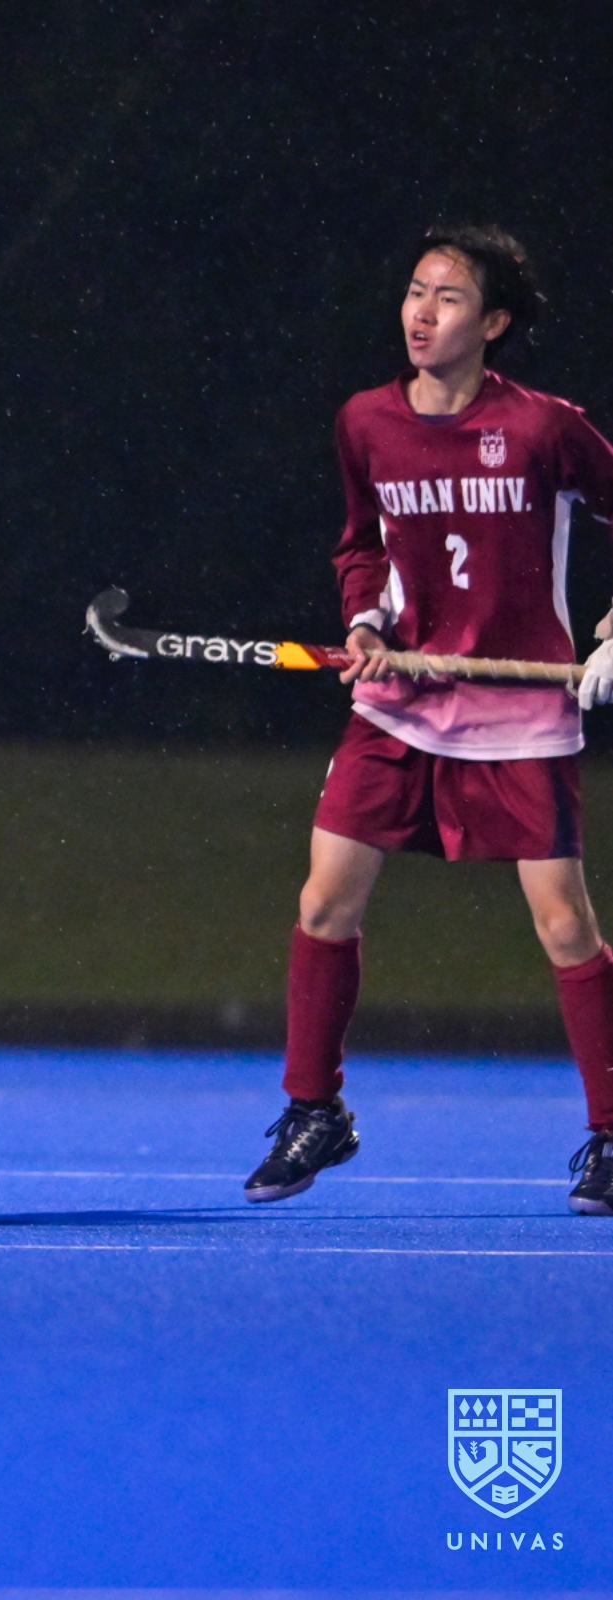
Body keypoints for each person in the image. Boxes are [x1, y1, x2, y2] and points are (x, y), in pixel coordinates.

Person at [249, 225, 613, 1215]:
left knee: (563, 922)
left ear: (492, 323)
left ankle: (611, 1130)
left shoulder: (542, 428)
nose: (421, 312)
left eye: (448, 298)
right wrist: (363, 621)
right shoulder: (365, 420)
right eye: (416, 291)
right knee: (324, 902)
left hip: (520, 707)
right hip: (399, 701)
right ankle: (313, 1110)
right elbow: (359, 545)